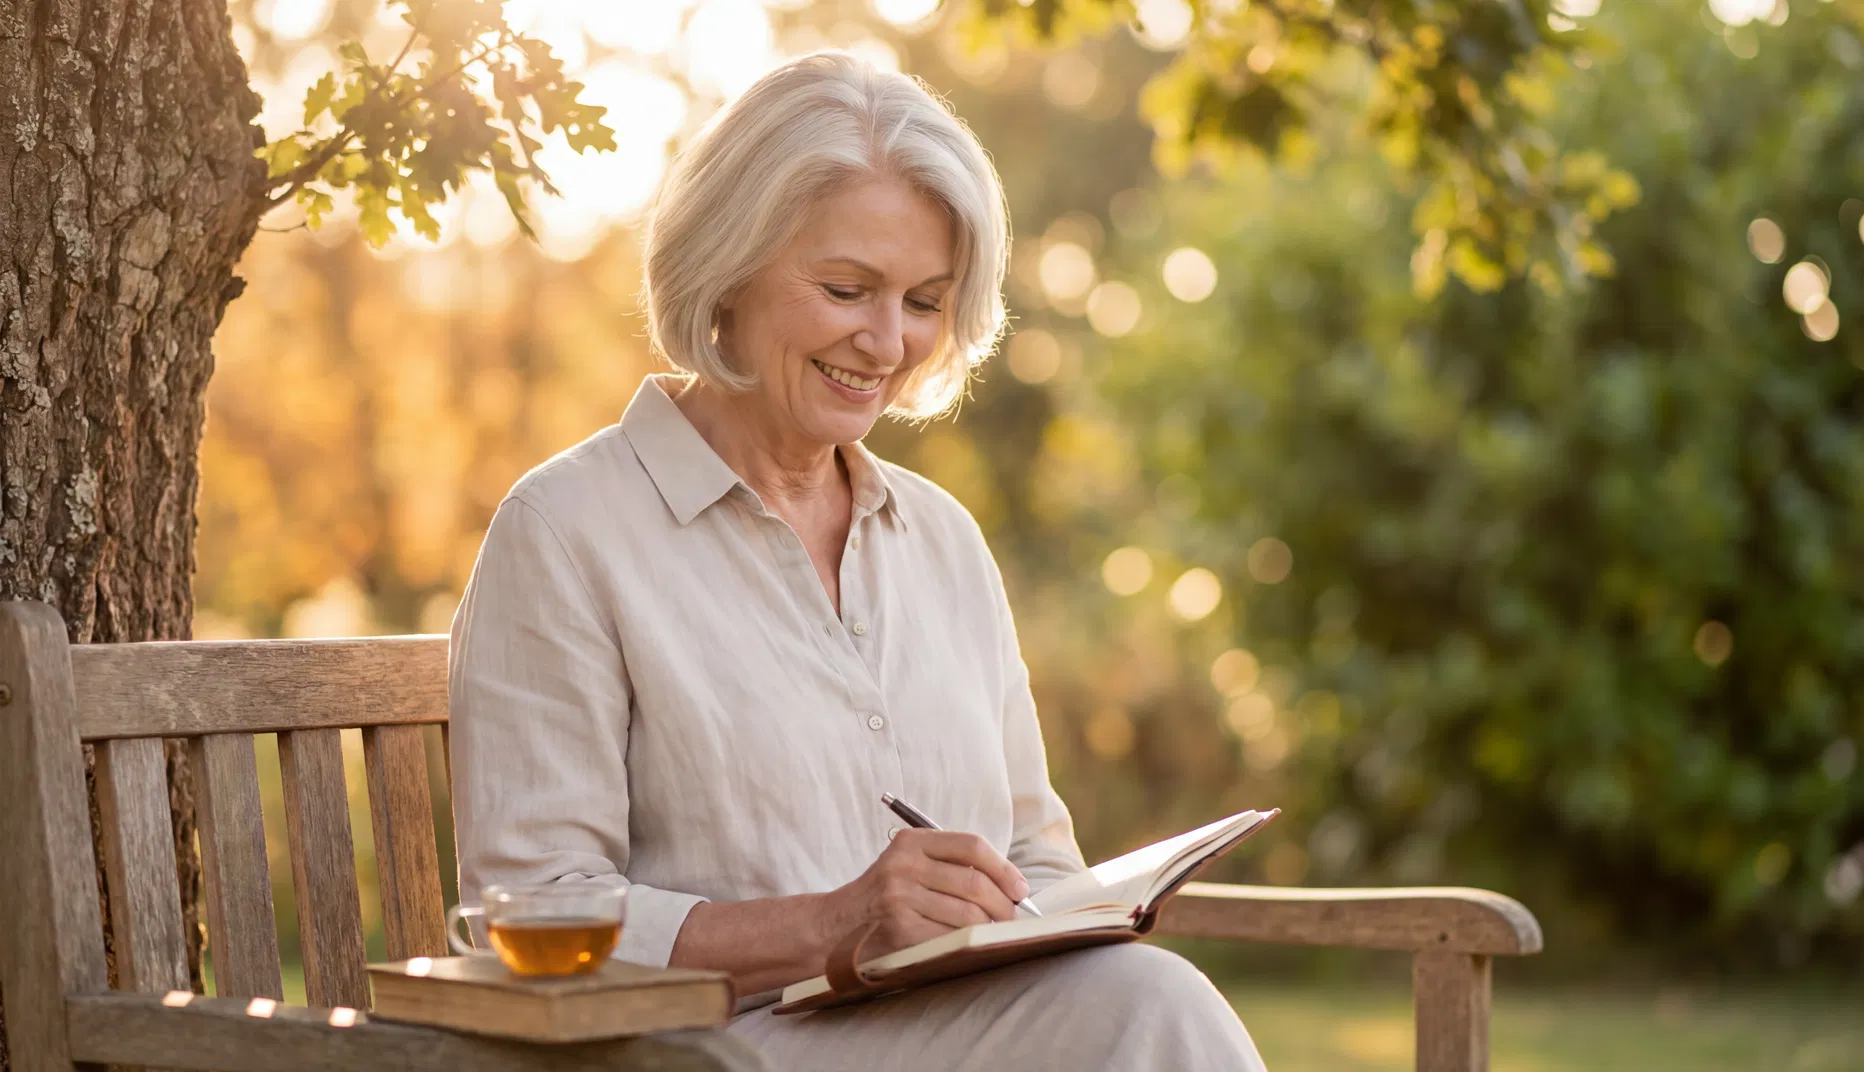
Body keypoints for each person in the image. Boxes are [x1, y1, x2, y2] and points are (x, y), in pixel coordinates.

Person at [449, 50, 1264, 1071]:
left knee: (1143, 998)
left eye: (924, 301)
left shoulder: (943, 541)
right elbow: (528, 909)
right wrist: (833, 924)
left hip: (953, 1030)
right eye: (848, 289)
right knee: (1150, 1011)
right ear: (726, 267)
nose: (886, 343)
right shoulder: (566, 530)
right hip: (708, 1051)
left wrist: (1056, 908)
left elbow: (1033, 856)